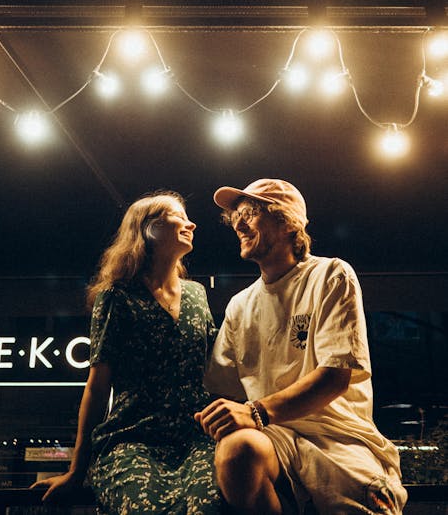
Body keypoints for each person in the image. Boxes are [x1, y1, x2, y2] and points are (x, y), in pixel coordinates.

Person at [195, 178, 408, 515]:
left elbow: (336, 376)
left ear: (286, 221)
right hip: (272, 437)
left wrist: (255, 411)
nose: (238, 222)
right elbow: (223, 391)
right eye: (235, 215)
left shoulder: (331, 275)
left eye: (249, 212)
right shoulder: (239, 305)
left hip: (338, 439)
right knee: (235, 450)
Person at [32, 190, 221, 514]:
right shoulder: (117, 297)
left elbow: (219, 368)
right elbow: (97, 386)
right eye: (178, 215)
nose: (191, 224)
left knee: (208, 507)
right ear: (149, 228)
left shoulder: (197, 295)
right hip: (133, 439)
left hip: (196, 441)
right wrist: (77, 472)